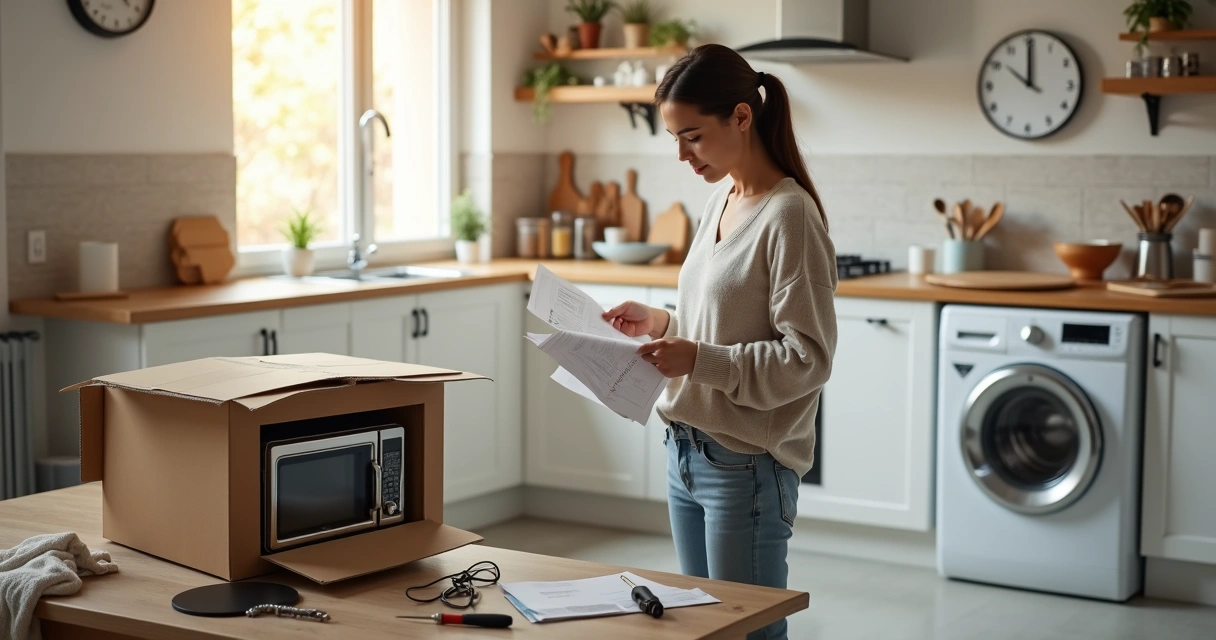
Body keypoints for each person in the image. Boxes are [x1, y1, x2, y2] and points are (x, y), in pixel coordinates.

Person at [601, 44, 838, 640]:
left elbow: (807, 359)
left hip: (744, 464)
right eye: (674, 139)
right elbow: (720, 323)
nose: (682, 155)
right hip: (684, 448)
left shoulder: (790, 216)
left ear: (740, 117)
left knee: (746, 631)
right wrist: (661, 322)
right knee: (706, 629)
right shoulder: (721, 200)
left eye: (692, 137)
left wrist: (698, 359)